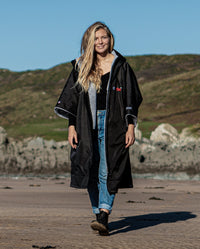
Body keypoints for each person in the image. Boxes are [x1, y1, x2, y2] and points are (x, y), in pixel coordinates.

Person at [54, 21, 143, 236]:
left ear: (109, 39)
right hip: (87, 124)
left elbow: (131, 96)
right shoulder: (81, 65)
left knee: (108, 169)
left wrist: (130, 126)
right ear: (89, 41)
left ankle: (104, 213)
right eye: (96, 38)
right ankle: (98, 214)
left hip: (114, 124)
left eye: (103, 37)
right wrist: (71, 126)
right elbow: (72, 100)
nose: (100, 41)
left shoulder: (120, 65)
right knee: (89, 170)